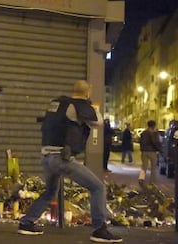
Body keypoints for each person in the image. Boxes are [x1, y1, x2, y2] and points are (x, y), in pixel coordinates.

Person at [17, 80, 122, 243]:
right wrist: (90, 103)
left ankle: (26, 222)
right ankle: (99, 229)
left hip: (46, 157)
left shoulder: (57, 103)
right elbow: (98, 121)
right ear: (87, 93)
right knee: (97, 187)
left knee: (50, 191)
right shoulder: (77, 106)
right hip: (60, 158)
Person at [138, 120, 162, 187]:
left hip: (144, 151)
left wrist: (142, 149)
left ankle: (141, 178)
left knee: (144, 166)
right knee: (153, 167)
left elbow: (140, 142)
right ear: (154, 126)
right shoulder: (154, 133)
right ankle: (152, 182)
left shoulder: (143, 133)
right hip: (152, 151)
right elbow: (156, 142)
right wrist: (159, 150)